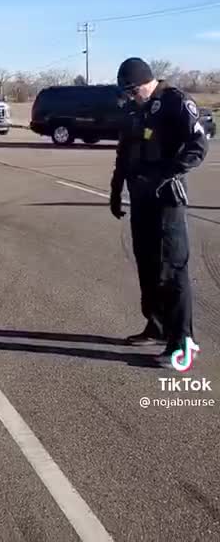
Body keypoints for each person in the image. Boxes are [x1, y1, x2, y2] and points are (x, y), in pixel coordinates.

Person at [110, 57, 208, 368]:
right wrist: (116, 190)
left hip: (166, 200)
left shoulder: (175, 102)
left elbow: (198, 145)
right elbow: (124, 152)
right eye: (127, 92)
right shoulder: (135, 109)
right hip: (141, 199)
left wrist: (169, 172)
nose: (131, 97)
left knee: (172, 270)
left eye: (133, 90)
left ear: (146, 82)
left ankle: (182, 343)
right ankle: (157, 326)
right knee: (148, 265)